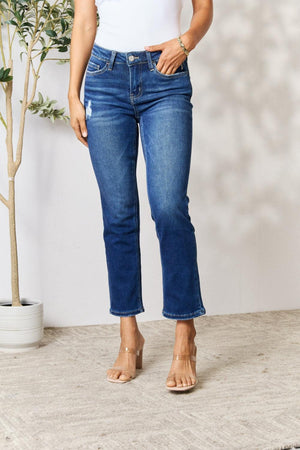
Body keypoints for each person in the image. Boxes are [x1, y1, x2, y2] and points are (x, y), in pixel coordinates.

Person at [68, 0, 213, 392]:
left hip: (165, 76)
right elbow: (85, 21)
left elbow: (204, 9)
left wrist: (186, 43)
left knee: (168, 208)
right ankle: (129, 335)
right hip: (104, 77)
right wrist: (72, 94)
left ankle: (185, 334)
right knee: (117, 213)